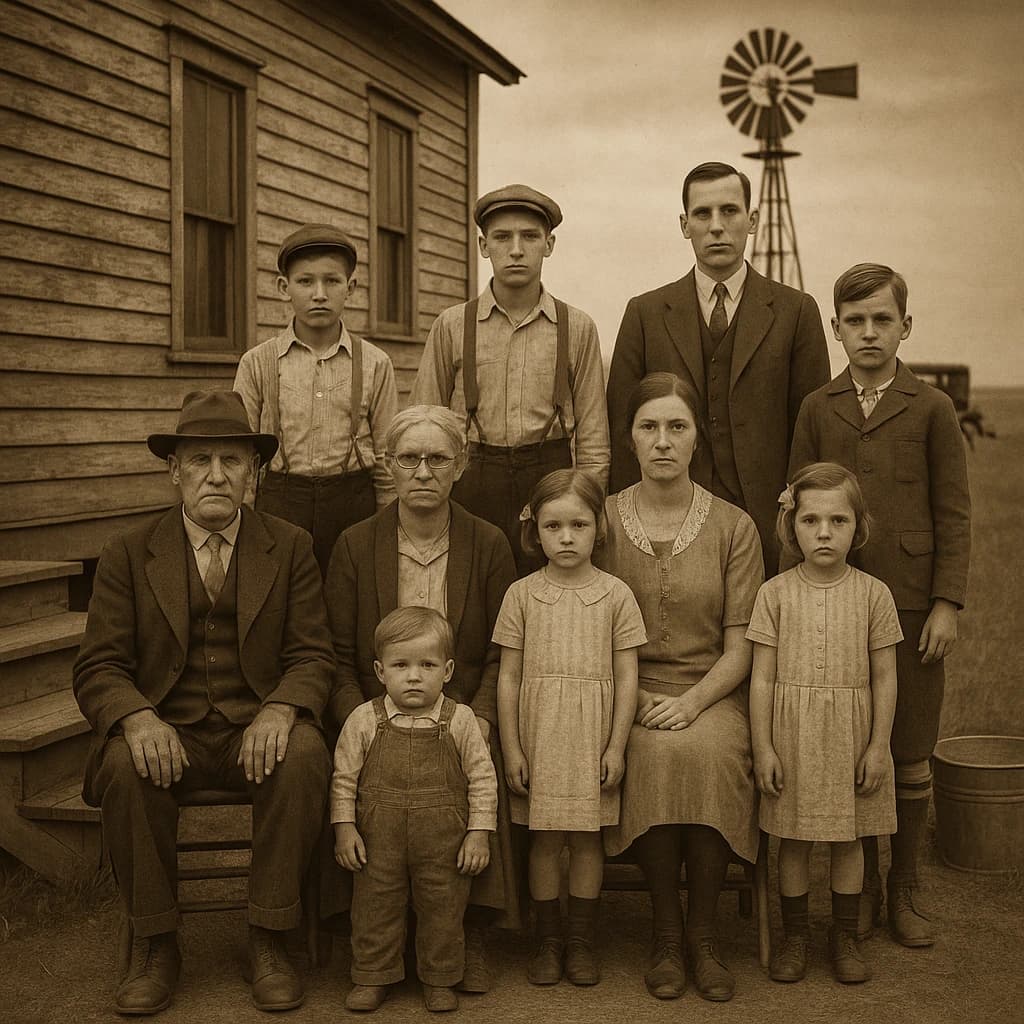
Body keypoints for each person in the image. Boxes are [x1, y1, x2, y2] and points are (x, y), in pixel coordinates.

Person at [73, 390, 333, 1015]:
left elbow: (312, 655)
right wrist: (137, 717)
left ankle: (270, 936)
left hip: (254, 729)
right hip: (170, 730)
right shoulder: (128, 551)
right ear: (174, 471)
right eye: (199, 460)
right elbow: (98, 665)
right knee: (124, 763)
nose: (216, 475)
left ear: (253, 472)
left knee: (303, 754)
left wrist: (281, 708)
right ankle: (155, 943)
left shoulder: (290, 545)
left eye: (231, 461)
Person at [788, 263, 971, 948]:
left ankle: (906, 886)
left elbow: (954, 511)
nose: (869, 332)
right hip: (834, 604)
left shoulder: (932, 407)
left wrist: (947, 602)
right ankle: (858, 885)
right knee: (851, 744)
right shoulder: (818, 407)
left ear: (905, 326)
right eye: (856, 321)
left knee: (909, 748)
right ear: (836, 329)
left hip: (913, 604)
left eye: (882, 320)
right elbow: (797, 501)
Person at [324, 404, 518, 992]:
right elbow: (337, 654)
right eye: (409, 459)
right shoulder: (356, 544)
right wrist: (362, 719)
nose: (424, 471)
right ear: (388, 465)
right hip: (377, 712)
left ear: (461, 464)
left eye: (438, 458)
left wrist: (482, 715)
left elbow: (503, 650)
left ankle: (470, 928)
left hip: (462, 710)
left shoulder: (488, 543)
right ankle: (371, 937)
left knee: (482, 760)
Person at [597, 373, 763, 1003]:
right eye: (649, 427)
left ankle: (705, 935)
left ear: (697, 438)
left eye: (677, 427)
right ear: (630, 438)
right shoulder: (601, 521)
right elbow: (589, 627)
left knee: (710, 750)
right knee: (650, 751)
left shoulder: (734, 527)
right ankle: (667, 934)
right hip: (624, 688)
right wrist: (637, 700)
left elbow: (741, 645)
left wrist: (693, 702)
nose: (662, 441)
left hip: (712, 689)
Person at [605, 161, 830, 573]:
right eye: (702, 214)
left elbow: (812, 433)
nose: (716, 227)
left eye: (729, 211)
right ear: (684, 225)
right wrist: (625, 528)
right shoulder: (645, 313)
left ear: (752, 220)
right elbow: (622, 429)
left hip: (768, 524)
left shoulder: (796, 311)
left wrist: (800, 525)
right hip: (664, 523)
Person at [748, 462, 901, 984]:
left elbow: (885, 678)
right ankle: (795, 937)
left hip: (850, 738)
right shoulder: (773, 594)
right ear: (791, 526)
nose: (824, 532)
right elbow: (762, 679)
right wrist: (763, 747)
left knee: (847, 839)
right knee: (793, 840)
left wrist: (878, 746)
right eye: (810, 520)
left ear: (858, 527)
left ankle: (844, 935)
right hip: (791, 738)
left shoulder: (874, 595)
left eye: (838, 521)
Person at [494, 469, 646, 987]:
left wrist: (616, 745)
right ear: (534, 530)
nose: (565, 537)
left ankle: (580, 940)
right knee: (543, 840)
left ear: (598, 528)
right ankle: (548, 939)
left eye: (578, 525)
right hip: (539, 734)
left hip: (592, 736)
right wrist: (513, 748)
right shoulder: (521, 595)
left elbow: (627, 676)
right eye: (553, 526)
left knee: (585, 840)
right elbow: (508, 677)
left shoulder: (616, 595)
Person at [411, 184, 610, 575]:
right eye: (502, 237)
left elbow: (594, 442)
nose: (516, 249)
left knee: (548, 592)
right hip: (472, 479)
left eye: (530, 237)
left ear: (548, 245)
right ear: (483, 246)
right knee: (471, 588)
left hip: (550, 482)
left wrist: (583, 507)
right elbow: (422, 426)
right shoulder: (452, 325)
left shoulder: (577, 327)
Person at [331, 607, 498, 1013]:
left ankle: (440, 979)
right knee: (375, 906)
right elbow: (343, 779)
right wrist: (344, 828)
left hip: (443, 841)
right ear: (380, 670)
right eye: (400, 665)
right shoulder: (363, 720)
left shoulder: (460, 721)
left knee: (443, 908)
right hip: (378, 841)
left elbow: (482, 779)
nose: (413, 676)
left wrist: (479, 833)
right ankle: (372, 975)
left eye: (427, 665)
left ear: (447, 670)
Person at [234, 223, 399, 574]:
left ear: (350, 287)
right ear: (284, 288)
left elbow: (387, 457)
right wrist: (243, 516)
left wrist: (387, 522)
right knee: (281, 594)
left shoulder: (375, 363)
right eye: (305, 281)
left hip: (352, 503)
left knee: (349, 595)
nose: (319, 294)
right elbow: (242, 454)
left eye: (332, 281)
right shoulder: (257, 362)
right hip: (280, 501)